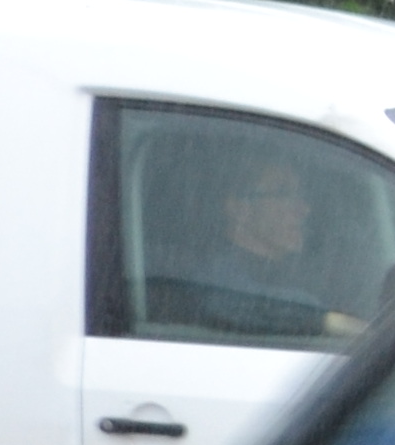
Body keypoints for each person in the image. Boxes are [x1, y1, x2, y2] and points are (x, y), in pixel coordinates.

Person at [145, 145, 367, 343]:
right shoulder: (215, 278)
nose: (303, 209)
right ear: (239, 208)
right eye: (283, 193)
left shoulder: (316, 268)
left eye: (300, 194)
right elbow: (227, 306)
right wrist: (324, 321)